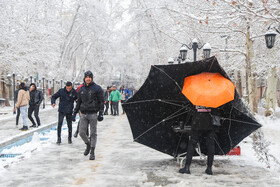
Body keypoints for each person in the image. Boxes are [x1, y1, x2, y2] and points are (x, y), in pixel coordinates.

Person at [72, 71, 104, 160]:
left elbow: (101, 101)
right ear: (84, 78)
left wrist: (101, 112)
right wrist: (74, 113)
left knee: (93, 133)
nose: (88, 78)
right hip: (83, 114)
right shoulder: (81, 89)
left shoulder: (97, 88)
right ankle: (88, 144)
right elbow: (79, 102)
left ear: (92, 78)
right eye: (86, 77)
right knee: (81, 132)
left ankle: (92, 152)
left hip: (93, 113)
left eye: (90, 77)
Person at [179, 105, 217, 175]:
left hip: (197, 122)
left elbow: (191, 109)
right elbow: (215, 111)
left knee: (192, 144)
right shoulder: (212, 97)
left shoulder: (196, 97)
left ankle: (187, 167)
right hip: (209, 123)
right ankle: (209, 168)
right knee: (210, 145)